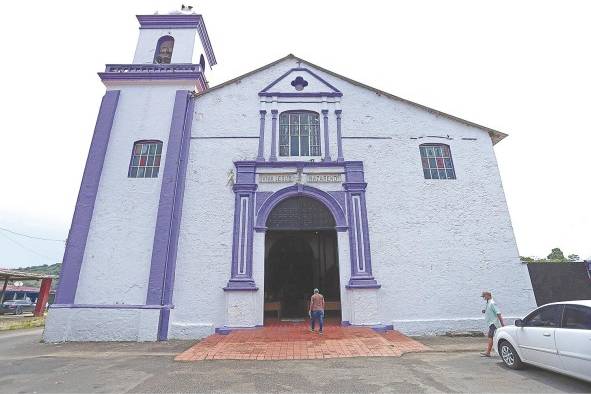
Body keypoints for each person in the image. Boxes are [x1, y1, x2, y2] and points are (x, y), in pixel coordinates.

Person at [481, 291, 505, 357]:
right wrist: (485, 311)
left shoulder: (492, 303)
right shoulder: (488, 302)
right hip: (491, 323)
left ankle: (488, 352)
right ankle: (488, 352)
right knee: (492, 336)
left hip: (493, 323)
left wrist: (502, 323)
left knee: (490, 336)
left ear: (488, 295)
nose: (483, 298)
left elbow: (498, 313)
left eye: (484, 296)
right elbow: (491, 310)